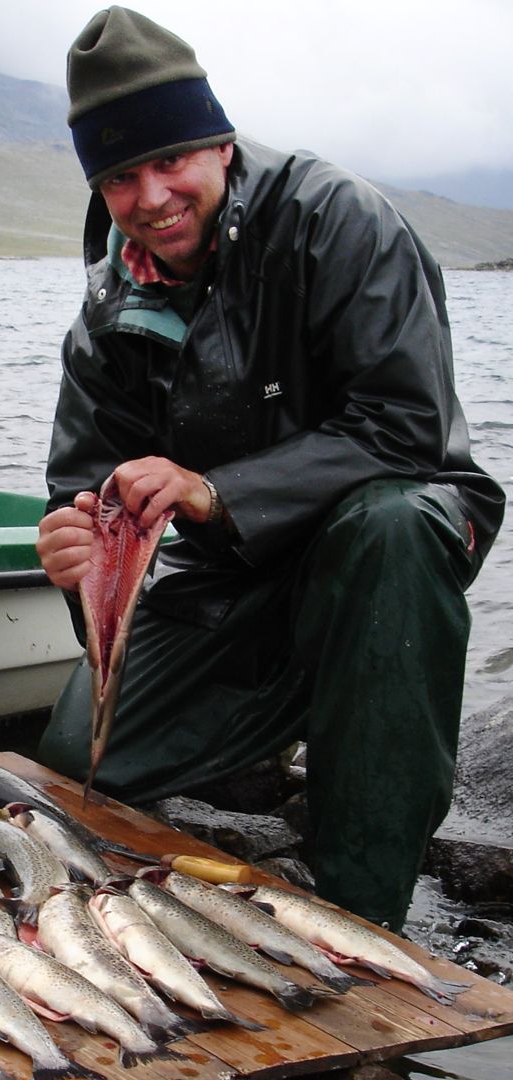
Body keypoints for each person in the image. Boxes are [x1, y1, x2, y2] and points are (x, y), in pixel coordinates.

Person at [34, 7, 506, 931]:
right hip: (234, 584)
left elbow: (409, 426)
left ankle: (364, 913)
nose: (152, 195)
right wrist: (76, 554)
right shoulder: (108, 310)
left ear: (216, 141)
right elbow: (81, 485)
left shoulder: (341, 223)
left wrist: (217, 492)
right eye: (121, 176)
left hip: (384, 559)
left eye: (170, 158)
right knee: (73, 768)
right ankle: (262, 765)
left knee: (393, 523)